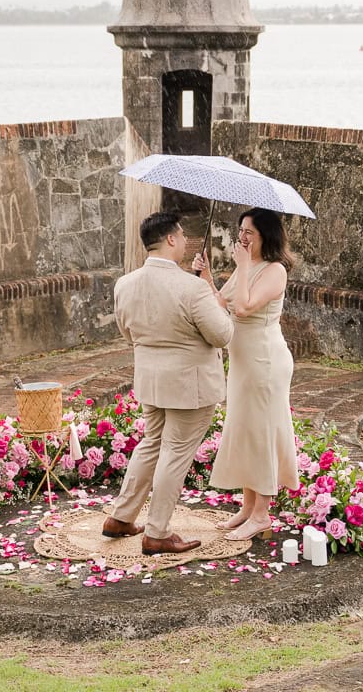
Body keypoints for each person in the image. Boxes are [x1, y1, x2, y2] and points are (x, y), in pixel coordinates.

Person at [104, 210, 234, 555]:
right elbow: (222, 335)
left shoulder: (125, 284)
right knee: (175, 453)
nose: (185, 241)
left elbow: (127, 331)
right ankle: (158, 532)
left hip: (150, 380)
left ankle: (121, 517)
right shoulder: (192, 288)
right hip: (190, 386)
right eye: (181, 235)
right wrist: (214, 301)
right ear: (172, 239)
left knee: (152, 443)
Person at [193, 207, 300, 542]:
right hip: (241, 362)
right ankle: (247, 506)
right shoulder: (247, 266)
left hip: (265, 362)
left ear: (265, 236)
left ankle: (261, 514)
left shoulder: (274, 271)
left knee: (262, 432)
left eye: (249, 233)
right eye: (240, 230)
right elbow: (222, 302)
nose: (242, 237)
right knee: (244, 428)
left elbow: (243, 307)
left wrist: (239, 266)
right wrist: (207, 275)